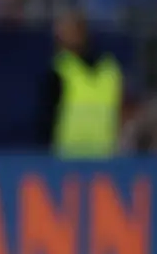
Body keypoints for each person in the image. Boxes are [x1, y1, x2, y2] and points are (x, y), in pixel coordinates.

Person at [38, 10, 124, 158]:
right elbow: (45, 118)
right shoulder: (58, 70)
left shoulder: (110, 70)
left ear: (82, 32)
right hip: (68, 159)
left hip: (105, 158)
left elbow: (122, 112)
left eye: (69, 31)